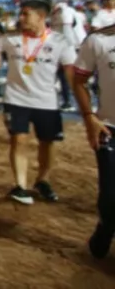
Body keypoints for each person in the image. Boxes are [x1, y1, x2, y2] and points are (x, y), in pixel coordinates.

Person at [0, 0, 76, 204]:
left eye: (26, 14)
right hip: (16, 99)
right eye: (21, 14)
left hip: (47, 101)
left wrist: (81, 96)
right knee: (19, 139)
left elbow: (71, 71)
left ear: (41, 17)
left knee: (47, 143)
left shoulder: (60, 42)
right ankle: (20, 185)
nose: (21, 18)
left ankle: (43, 180)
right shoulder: (9, 38)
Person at [71, 24, 115, 258]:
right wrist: (90, 117)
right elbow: (79, 81)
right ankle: (106, 227)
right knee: (110, 198)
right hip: (109, 128)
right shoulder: (98, 40)